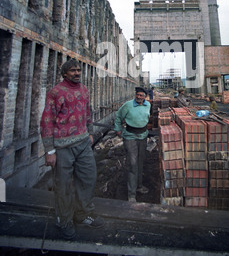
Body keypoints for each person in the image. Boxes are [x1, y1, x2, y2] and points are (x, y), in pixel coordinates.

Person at [40, 59, 104, 240]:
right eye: (73, 70)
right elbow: (46, 121)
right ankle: (64, 220)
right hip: (62, 147)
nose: (77, 73)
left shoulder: (84, 89)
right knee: (64, 185)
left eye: (79, 70)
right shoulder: (56, 92)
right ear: (65, 73)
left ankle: (83, 214)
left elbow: (87, 112)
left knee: (88, 178)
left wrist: (90, 132)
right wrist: (49, 150)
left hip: (83, 144)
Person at [114, 87, 151, 202]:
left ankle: (139, 186)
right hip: (130, 137)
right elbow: (118, 116)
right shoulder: (128, 105)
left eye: (141, 95)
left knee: (140, 162)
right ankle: (131, 194)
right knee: (133, 164)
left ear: (145, 96)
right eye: (137, 95)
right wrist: (118, 129)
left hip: (143, 136)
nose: (139, 97)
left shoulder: (148, 105)